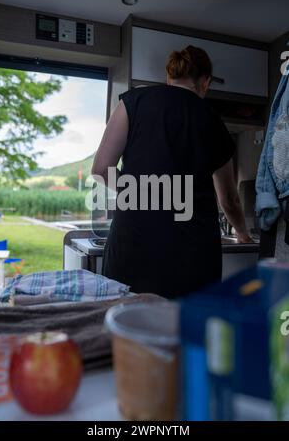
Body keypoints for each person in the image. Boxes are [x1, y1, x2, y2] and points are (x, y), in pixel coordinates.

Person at [92, 45, 252, 298]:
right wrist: (243, 234)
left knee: (126, 327)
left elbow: (101, 170)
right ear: (205, 82)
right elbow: (229, 199)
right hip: (192, 251)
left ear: (169, 77)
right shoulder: (213, 121)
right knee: (183, 329)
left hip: (133, 241)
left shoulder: (132, 102)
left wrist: (146, 193)